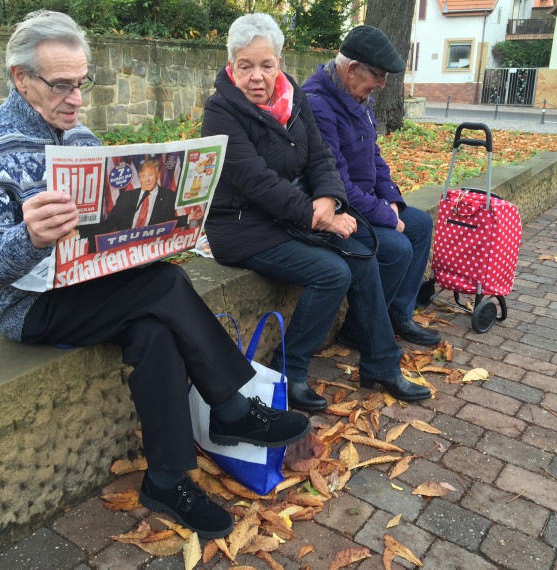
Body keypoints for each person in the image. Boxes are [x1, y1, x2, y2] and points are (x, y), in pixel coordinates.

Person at [0, 9, 310, 539]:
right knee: (164, 285)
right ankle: (232, 406)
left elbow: (108, 228)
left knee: (155, 324)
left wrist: (164, 231)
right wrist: (26, 237)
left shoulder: (83, 138)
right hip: (26, 305)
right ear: (20, 78)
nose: (75, 98)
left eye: (81, 83)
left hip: (91, 281)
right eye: (61, 85)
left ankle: (167, 479)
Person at [201, 13, 431, 412]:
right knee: (334, 272)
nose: (257, 76)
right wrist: (318, 214)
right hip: (245, 228)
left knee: (361, 256)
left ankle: (381, 365)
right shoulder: (220, 112)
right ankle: (289, 371)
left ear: (278, 63)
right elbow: (256, 183)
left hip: (293, 216)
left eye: (267, 65)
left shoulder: (293, 95)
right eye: (246, 66)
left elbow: (321, 158)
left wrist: (328, 197)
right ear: (231, 65)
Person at [302, 26, 442, 347]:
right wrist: (385, 215)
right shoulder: (319, 105)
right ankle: (358, 328)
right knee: (396, 248)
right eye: (377, 76)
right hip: (335, 209)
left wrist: (390, 199)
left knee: (420, 225)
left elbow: (374, 156)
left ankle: (397, 315)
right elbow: (337, 185)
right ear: (352, 69)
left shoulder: (356, 95)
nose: (380, 86)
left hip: (362, 203)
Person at [102, 154, 181, 232]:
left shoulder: (169, 196)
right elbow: (109, 224)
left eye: (151, 175)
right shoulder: (126, 197)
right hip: (126, 241)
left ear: (158, 175)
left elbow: (170, 223)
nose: (147, 180)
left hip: (151, 241)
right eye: (143, 177)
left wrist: (188, 218)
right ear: (139, 178)